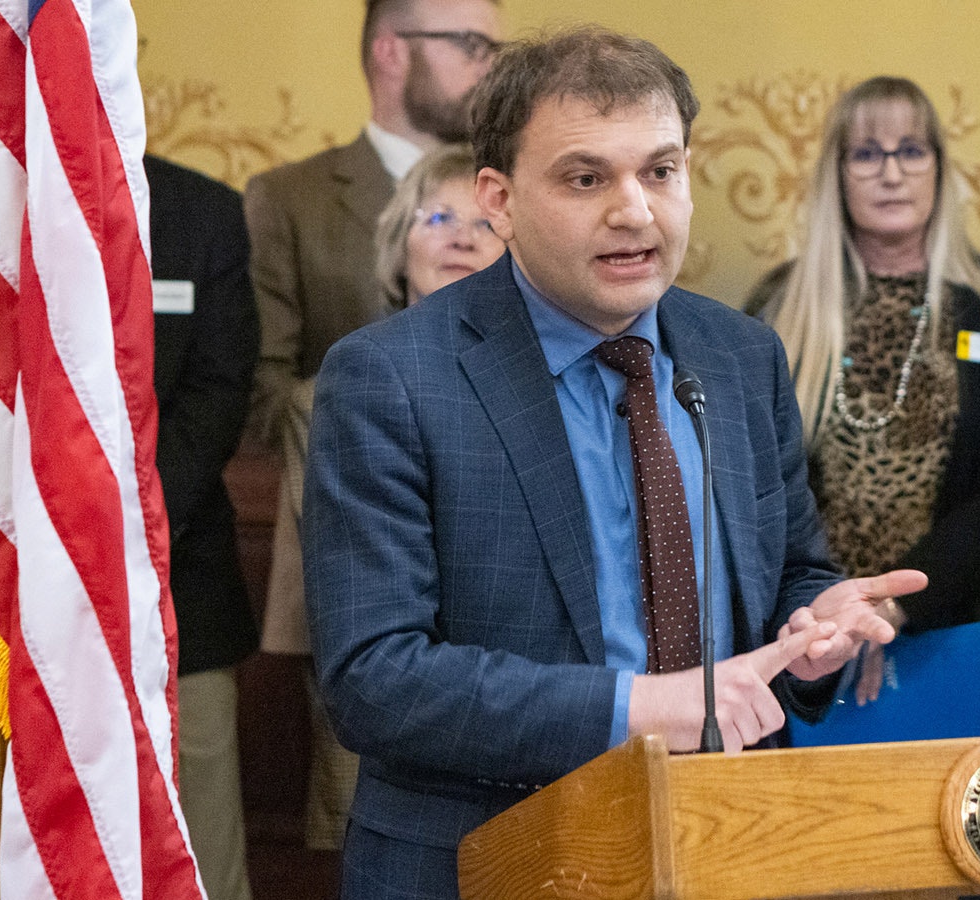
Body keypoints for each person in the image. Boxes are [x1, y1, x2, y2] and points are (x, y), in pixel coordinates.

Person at [302, 26, 929, 899]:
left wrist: (808, 635)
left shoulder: (740, 354)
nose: (634, 210)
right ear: (499, 199)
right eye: (585, 177)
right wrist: (644, 708)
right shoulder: (391, 377)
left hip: (725, 846)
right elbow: (374, 679)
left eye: (661, 171)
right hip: (486, 858)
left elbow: (791, 570)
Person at [243, 0, 503, 852]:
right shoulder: (291, 198)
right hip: (352, 593)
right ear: (392, 50)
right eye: (472, 45)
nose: (491, 66)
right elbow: (265, 386)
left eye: (482, 223)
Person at [747, 76, 980, 733]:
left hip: (973, 638)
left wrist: (900, 605)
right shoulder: (778, 311)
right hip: (812, 646)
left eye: (911, 151)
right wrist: (834, 614)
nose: (890, 172)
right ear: (837, 175)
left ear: (940, 171)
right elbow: (755, 485)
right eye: (867, 154)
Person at [146, 154, 261, 900]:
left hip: (180, 580)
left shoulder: (200, 209)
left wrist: (127, 521)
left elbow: (221, 390)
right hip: (14, 586)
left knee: (203, 852)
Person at [373, 143, 505, 308]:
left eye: (487, 225)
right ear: (400, 246)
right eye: (441, 218)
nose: (463, 240)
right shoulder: (366, 335)